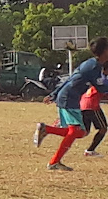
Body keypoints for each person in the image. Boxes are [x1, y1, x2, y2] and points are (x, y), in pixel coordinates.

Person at [34, 37, 108, 170]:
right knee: (76, 131)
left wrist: (55, 93)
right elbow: (102, 88)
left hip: (70, 97)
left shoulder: (91, 64)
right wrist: (56, 94)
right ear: (105, 51)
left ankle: (47, 130)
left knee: (81, 132)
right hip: (69, 98)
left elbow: (71, 79)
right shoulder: (94, 67)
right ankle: (54, 162)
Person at [80, 62, 108, 157]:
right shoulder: (104, 78)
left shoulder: (97, 76)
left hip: (84, 103)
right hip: (92, 105)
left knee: (83, 132)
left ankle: (53, 128)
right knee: (103, 129)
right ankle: (90, 151)